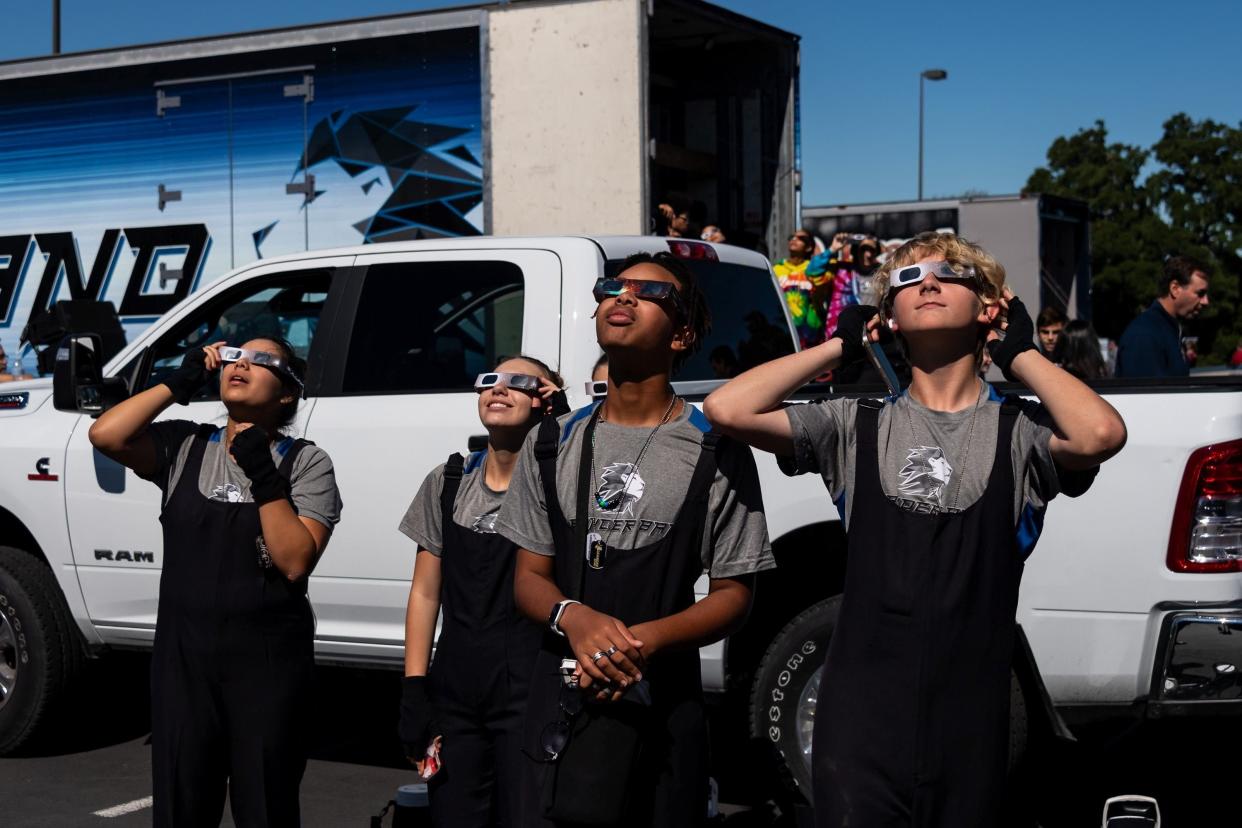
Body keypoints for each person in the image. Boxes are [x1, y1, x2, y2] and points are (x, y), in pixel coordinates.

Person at [704, 231, 1126, 827]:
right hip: (859, 727)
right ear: (890, 319)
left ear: (988, 307)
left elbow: (1100, 435)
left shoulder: (1022, 430)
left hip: (972, 725)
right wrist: (838, 346)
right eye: (906, 278)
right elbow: (727, 409)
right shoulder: (855, 423)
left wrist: (1020, 353)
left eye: (948, 274)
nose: (926, 282)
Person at [499, 251, 774, 828]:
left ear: (684, 335)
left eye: (650, 293)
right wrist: (575, 619)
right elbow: (528, 578)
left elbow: (734, 596)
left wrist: (640, 643)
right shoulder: (550, 442)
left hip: (666, 703)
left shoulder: (715, 447)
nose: (623, 298)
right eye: (612, 287)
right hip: (562, 700)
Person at [88, 337, 342, 827]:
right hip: (184, 664)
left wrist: (264, 477)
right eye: (233, 357)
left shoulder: (308, 463)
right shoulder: (185, 443)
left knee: (265, 807)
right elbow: (106, 435)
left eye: (261, 360)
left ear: (287, 393)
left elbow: (293, 562)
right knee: (182, 807)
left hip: (268, 666)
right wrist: (176, 385)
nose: (240, 364)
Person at [398, 356, 567, 828]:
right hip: (455, 693)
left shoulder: (560, 483)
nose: (499, 388)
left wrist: (566, 424)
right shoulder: (448, 481)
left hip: (530, 691)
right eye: (490, 380)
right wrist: (415, 687)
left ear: (545, 398)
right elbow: (425, 593)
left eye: (519, 382)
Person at [1115, 256, 1210, 377]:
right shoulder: (1145, 334)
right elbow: (1145, 394)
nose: (1206, 301)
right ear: (1175, 288)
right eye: (1200, 293)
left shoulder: (1169, 329)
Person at [775, 228, 830, 350]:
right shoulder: (776, 268)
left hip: (811, 336)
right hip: (784, 335)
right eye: (792, 237)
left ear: (809, 247)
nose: (794, 239)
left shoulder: (815, 270)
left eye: (801, 238)